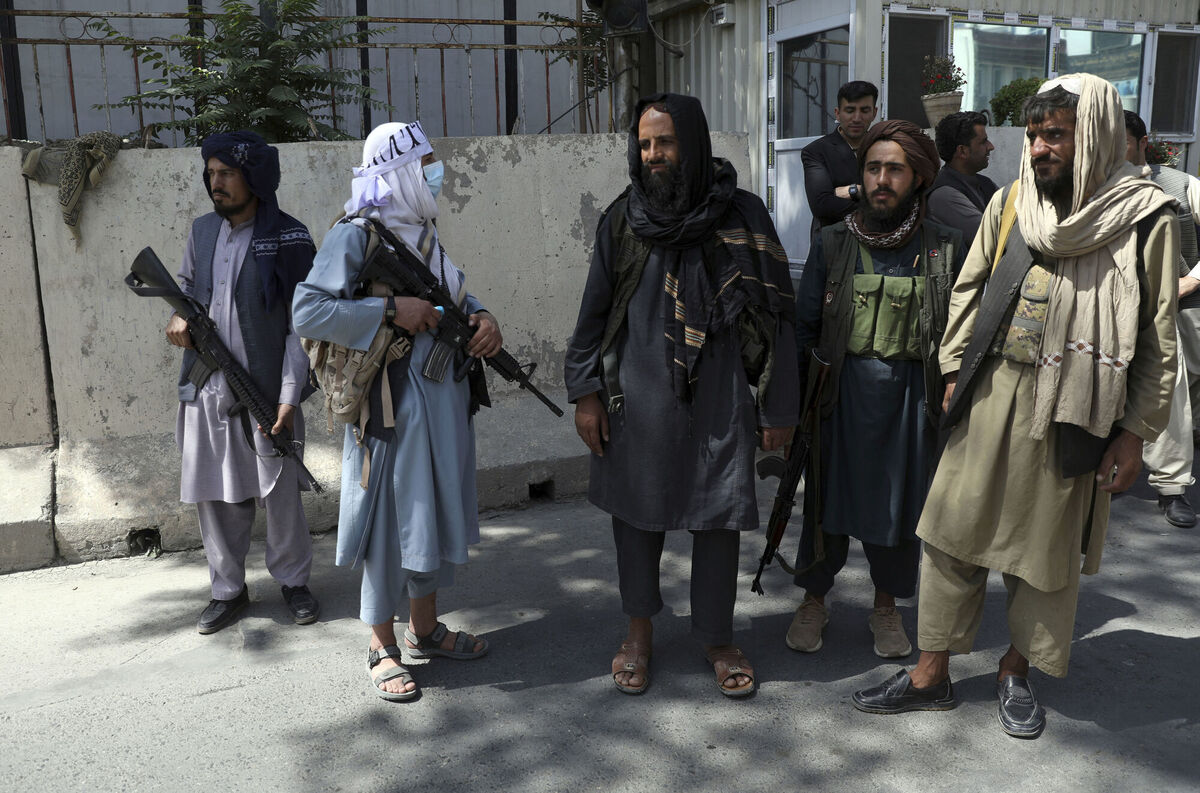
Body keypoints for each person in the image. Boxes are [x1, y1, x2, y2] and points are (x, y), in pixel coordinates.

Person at [853, 75, 1178, 738]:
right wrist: (951, 369)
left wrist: (1136, 435)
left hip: (1079, 409)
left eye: (1054, 134)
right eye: (1032, 135)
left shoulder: (1146, 218)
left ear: (1092, 136)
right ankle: (930, 673)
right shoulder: (1012, 202)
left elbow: (1156, 335)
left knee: (1045, 553)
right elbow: (969, 290)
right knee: (950, 535)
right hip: (991, 393)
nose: (1037, 149)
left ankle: (1014, 670)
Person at [564, 93, 800, 698]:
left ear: (690, 144)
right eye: (644, 145)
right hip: (636, 399)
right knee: (636, 521)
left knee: (717, 517)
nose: (653, 156)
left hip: (720, 396)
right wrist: (585, 393)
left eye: (664, 143)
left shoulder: (741, 215)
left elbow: (777, 318)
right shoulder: (623, 219)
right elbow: (592, 315)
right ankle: (638, 632)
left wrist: (777, 406)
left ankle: (718, 637)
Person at [293, 121, 497, 702]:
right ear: (399, 169)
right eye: (426, 161)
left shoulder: (422, 230)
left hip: (442, 405)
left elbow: (452, 293)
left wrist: (484, 319)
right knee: (389, 522)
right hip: (390, 409)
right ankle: (382, 644)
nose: (436, 170)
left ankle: (425, 629)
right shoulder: (357, 235)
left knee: (429, 513)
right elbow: (307, 311)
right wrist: (389, 313)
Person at [786, 120, 963, 659]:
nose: (881, 179)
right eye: (872, 168)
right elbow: (805, 328)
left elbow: (962, 333)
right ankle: (815, 600)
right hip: (839, 401)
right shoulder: (834, 243)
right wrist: (793, 407)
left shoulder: (944, 249)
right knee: (825, 504)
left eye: (894, 169)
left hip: (911, 404)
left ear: (918, 178)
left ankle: (886, 607)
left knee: (900, 509)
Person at [166, 131, 321, 634]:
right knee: (217, 494)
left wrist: (289, 396)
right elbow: (186, 287)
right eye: (210, 173)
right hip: (208, 384)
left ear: (254, 177)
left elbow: (305, 325)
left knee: (279, 494)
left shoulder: (291, 237)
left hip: (268, 389)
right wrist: (178, 316)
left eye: (226, 173)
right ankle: (227, 590)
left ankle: (294, 583)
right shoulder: (201, 232)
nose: (216, 183)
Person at [1125, 110, 1199, 528]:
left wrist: (1191, 281)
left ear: (1141, 142)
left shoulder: (1180, 185)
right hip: (1109, 307)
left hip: (1162, 309)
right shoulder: (1093, 188)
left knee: (1168, 390)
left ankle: (1172, 487)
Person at [802, 81, 880, 239]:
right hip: (835, 243)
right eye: (850, 110)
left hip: (880, 242)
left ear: (874, 112)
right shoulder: (816, 151)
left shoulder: (885, 148)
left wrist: (851, 191)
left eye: (864, 110)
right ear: (837, 113)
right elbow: (822, 206)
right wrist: (875, 200)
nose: (857, 118)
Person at [928, 111, 998, 251]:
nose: (991, 146)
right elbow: (992, 238)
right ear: (962, 151)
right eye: (983, 142)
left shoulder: (986, 184)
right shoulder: (943, 195)